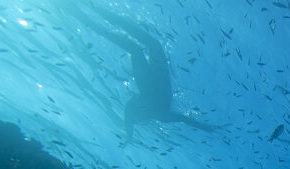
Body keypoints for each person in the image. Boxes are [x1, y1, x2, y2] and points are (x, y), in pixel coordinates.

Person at [80, 6, 216, 141]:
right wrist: (129, 133)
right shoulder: (161, 115)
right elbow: (183, 119)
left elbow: (183, 119)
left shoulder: (160, 115)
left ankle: (98, 13)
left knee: (144, 47)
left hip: (152, 77)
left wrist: (129, 134)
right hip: (152, 77)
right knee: (142, 47)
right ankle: (98, 13)